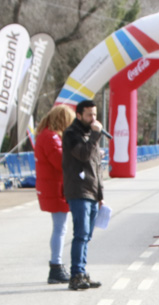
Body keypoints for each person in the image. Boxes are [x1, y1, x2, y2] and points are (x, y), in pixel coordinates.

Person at [61, 99, 105, 291]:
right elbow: (83, 155)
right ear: (79, 115)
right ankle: (76, 274)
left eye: (95, 114)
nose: (93, 118)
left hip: (92, 191)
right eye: (89, 115)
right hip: (79, 191)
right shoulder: (72, 134)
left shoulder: (90, 136)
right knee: (80, 234)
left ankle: (82, 271)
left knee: (86, 235)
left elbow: (96, 167)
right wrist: (95, 136)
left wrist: (100, 193)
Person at [34, 105, 75, 285]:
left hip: (53, 186)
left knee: (60, 227)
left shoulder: (45, 135)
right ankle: (56, 265)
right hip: (56, 187)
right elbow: (61, 162)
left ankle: (56, 264)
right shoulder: (52, 138)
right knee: (60, 228)